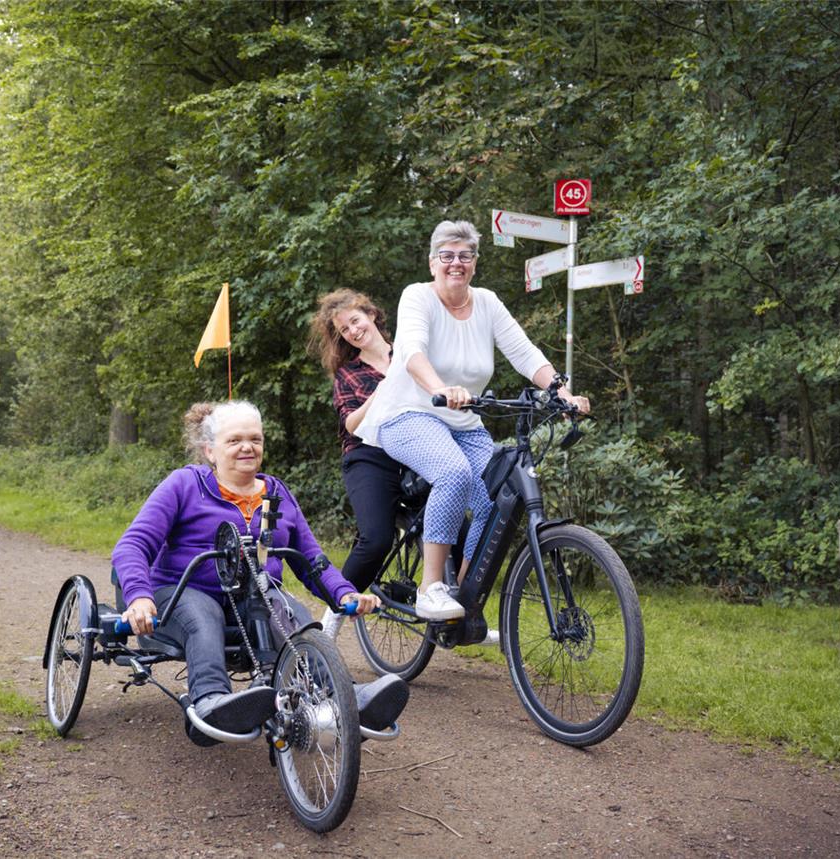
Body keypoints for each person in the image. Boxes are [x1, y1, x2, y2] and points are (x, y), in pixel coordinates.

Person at [112, 400, 409, 744]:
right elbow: (132, 545)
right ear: (210, 450)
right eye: (234, 440)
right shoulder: (185, 484)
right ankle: (211, 701)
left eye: (255, 439)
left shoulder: (276, 492)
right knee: (202, 616)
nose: (247, 447)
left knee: (290, 615)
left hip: (253, 595)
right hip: (181, 591)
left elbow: (311, 559)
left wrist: (344, 593)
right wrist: (139, 597)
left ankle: (345, 696)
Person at [354, 220, 590, 622]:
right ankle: (430, 587)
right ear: (433, 263)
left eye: (465, 255)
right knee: (454, 473)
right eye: (446, 255)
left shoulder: (487, 303)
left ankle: (463, 597)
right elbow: (412, 352)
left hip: (463, 422)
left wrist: (562, 393)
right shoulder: (418, 297)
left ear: (475, 263)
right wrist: (440, 387)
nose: (456, 263)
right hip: (407, 414)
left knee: (498, 497)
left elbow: (524, 352)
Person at [308, 289, 402, 640]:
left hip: (414, 449)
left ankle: (461, 613)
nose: (353, 331)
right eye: (344, 329)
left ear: (372, 314)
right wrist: (382, 391)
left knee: (457, 525)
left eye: (355, 321)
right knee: (376, 539)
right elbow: (351, 424)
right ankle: (335, 613)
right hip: (368, 456)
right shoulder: (348, 374)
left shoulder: (409, 354)